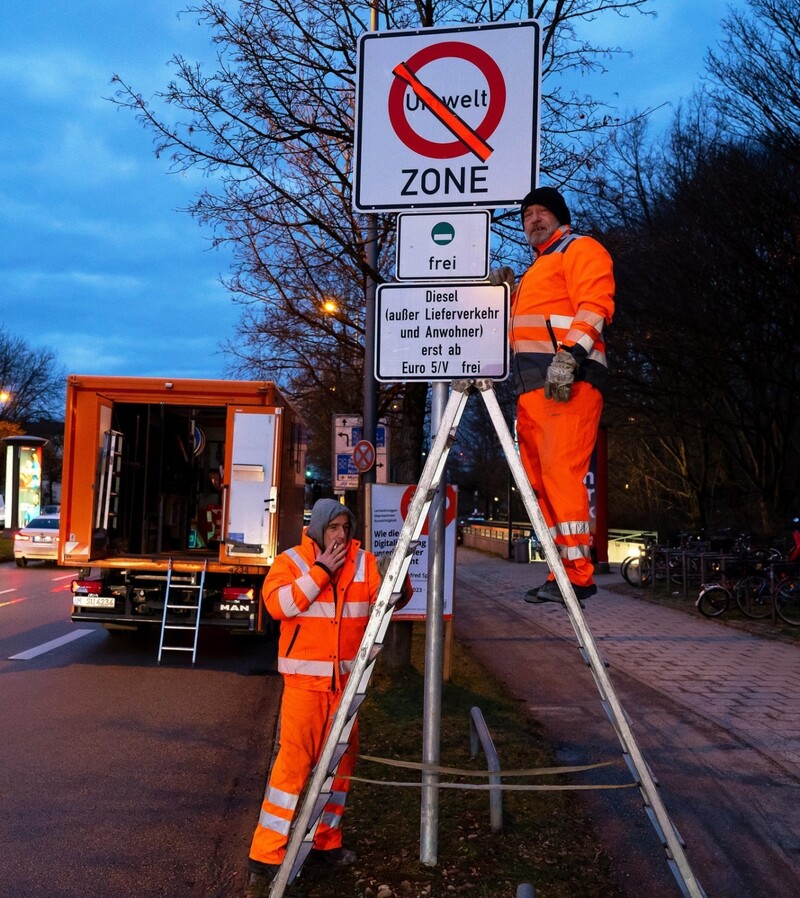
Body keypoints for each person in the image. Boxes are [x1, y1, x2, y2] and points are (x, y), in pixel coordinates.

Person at [246, 498, 409, 895]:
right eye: (333, 527)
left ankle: (325, 841)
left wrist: (398, 583)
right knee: (292, 769)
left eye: (345, 528)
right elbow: (278, 606)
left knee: (340, 766)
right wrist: (321, 571)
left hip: (346, 687)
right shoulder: (291, 562)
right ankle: (267, 854)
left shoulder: (363, 561)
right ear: (318, 530)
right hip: (304, 687)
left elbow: (387, 601)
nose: (340, 535)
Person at [502, 186, 615, 604]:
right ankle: (560, 571)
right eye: (527, 214)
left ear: (560, 217)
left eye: (542, 212)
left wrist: (569, 357)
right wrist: (502, 297)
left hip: (568, 380)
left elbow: (595, 305)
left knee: (560, 475)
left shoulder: (578, 249)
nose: (534, 219)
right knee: (540, 484)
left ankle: (578, 574)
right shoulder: (536, 270)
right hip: (532, 389)